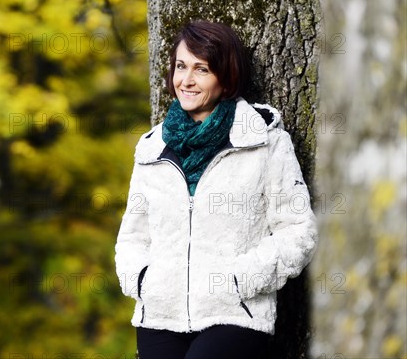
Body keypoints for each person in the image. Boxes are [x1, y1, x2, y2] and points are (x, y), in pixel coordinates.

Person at [114, 21, 318, 359]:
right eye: (181, 67)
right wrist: (142, 281)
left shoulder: (264, 142)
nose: (186, 80)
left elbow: (299, 231)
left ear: (225, 77)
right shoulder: (151, 149)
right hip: (160, 313)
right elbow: (133, 236)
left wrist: (242, 280)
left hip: (234, 314)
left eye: (201, 69)